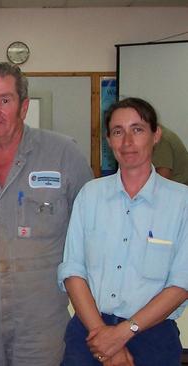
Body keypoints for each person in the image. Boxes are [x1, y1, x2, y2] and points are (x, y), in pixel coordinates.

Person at [0, 61, 94, 365]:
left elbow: (89, 237)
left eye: (4, 100)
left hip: (42, 323)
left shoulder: (64, 155)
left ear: (23, 107)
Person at [58, 97, 188, 366]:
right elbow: (73, 271)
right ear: (109, 139)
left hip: (154, 337)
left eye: (137, 129)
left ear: (156, 135)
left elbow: (181, 283)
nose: (127, 141)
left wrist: (122, 333)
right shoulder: (90, 195)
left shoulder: (181, 202)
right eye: (118, 131)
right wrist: (106, 338)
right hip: (89, 333)